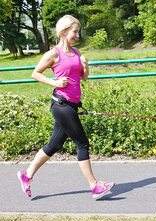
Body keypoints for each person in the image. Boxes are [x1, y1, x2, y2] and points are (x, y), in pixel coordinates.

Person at [17, 15, 115, 200]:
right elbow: (35, 73)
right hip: (61, 104)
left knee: (54, 144)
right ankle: (94, 185)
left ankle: (26, 175)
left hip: (72, 104)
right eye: (75, 31)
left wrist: (86, 67)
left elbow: (84, 78)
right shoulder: (54, 54)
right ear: (63, 31)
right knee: (82, 143)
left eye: (78, 31)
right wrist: (54, 81)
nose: (78, 35)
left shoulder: (76, 52)